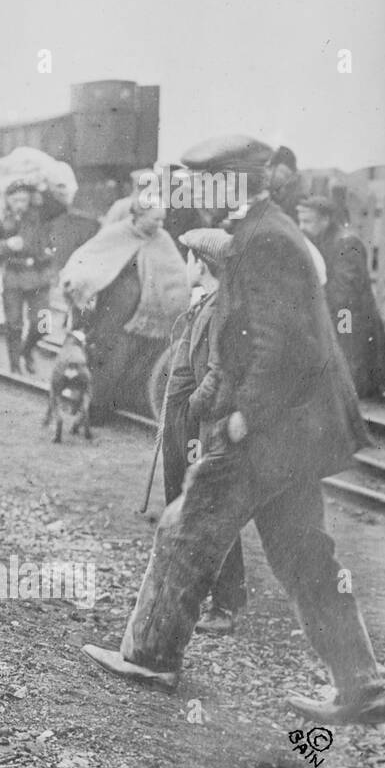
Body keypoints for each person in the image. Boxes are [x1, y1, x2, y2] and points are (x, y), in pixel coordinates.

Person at [83, 135, 385, 726]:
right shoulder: (261, 231)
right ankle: (363, 684)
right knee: (305, 554)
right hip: (294, 431)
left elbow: (283, 340)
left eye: (201, 181)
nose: (192, 192)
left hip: (271, 428)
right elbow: (254, 334)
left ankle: (149, 656)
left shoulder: (267, 240)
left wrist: (246, 410)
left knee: (186, 527)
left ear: (231, 182)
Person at [160, 228, 245, 635]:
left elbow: (218, 372)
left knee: (209, 510)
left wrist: (190, 409)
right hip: (186, 424)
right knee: (191, 506)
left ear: (201, 264)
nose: (185, 265)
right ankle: (193, 595)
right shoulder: (206, 303)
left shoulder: (218, 310)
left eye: (188, 257)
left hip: (201, 425)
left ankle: (225, 605)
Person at [60, 196, 189, 423]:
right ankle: (94, 409)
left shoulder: (162, 239)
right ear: (138, 216)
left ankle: (120, 404)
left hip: (147, 315)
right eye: (155, 220)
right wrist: (78, 284)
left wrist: (181, 304)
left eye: (162, 221)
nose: (159, 225)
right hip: (112, 312)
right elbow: (88, 259)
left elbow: (175, 276)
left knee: (134, 360)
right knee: (108, 358)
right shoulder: (117, 233)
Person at [297, 194, 385, 399]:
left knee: (349, 365)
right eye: (300, 220)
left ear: (325, 220)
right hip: (336, 311)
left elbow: (344, 291)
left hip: (348, 315)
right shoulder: (321, 239)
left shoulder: (346, 242)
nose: (302, 226)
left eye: (307, 221)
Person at [0, 180, 55, 374]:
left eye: (24, 199)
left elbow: (58, 202)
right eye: (16, 200)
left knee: (43, 324)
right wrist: (7, 245)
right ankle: (15, 366)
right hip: (13, 276)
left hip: (39, 275)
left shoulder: (39, 214)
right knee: (14, 324)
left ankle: (27, 350)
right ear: (7, 200)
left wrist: (40, 183)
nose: (20, 204)